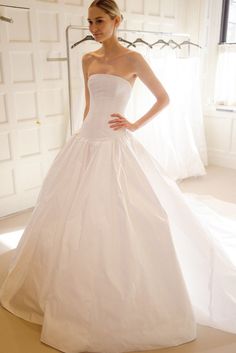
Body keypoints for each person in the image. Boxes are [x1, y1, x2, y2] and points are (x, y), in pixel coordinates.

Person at [0, 1, 236, 353]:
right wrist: (80, 135)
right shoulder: (87, 59)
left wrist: (135, 124)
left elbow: (164, 98)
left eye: (100, 21)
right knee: (70, 214)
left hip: (115, 143)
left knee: (129, 214)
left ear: (116, 21)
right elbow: (88, 103)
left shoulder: (134, 60)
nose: (94, 27)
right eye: (90, 22)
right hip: (86, 141)